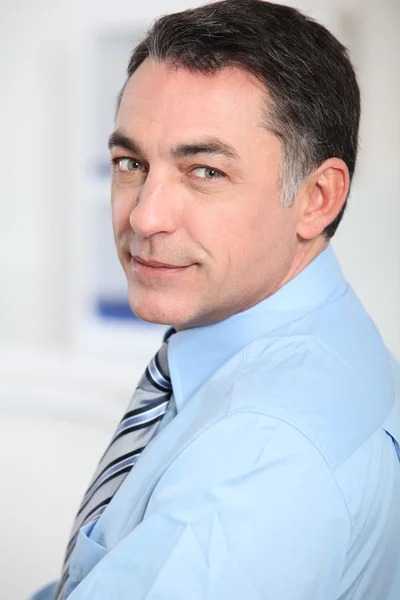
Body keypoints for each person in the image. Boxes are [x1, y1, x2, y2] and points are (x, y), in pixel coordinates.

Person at [32, 1, 400, 598]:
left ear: (318, 199)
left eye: (204, 171)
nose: (145, 216)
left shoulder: (258, 459)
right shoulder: (331, 338)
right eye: (131, 163)